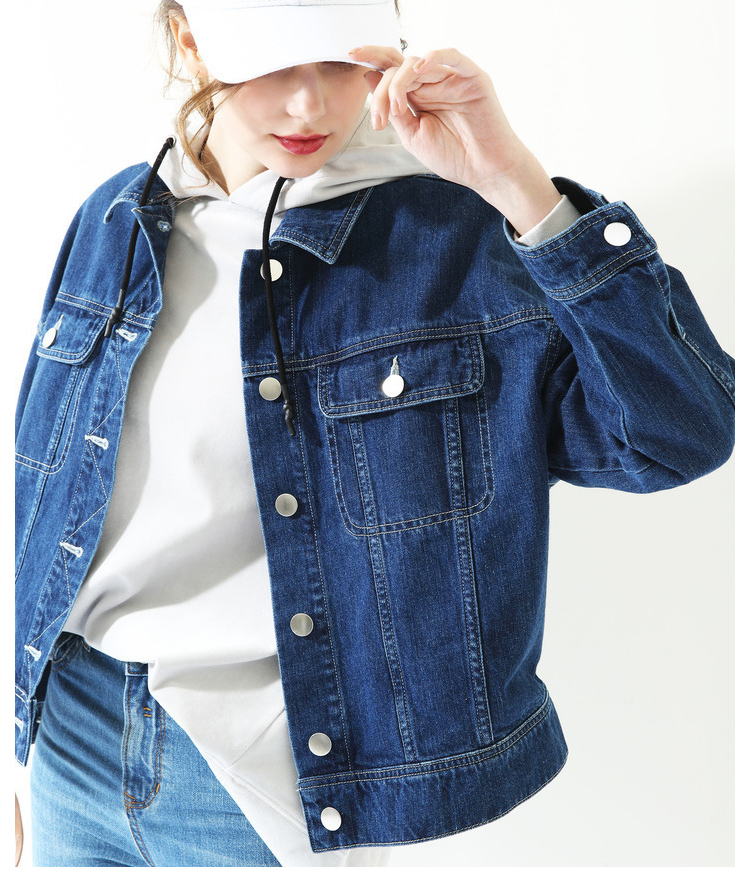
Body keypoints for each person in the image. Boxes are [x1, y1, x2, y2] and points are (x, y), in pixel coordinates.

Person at [14, 0, 734, 869]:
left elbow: (677, 435)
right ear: (189, 37)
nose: (310, 105)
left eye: (339, 62)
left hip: (270, 773)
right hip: (74, 733)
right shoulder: (116, 218)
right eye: (274, 64)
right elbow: (44, 493)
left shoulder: (453, 235)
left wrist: (520, 185)